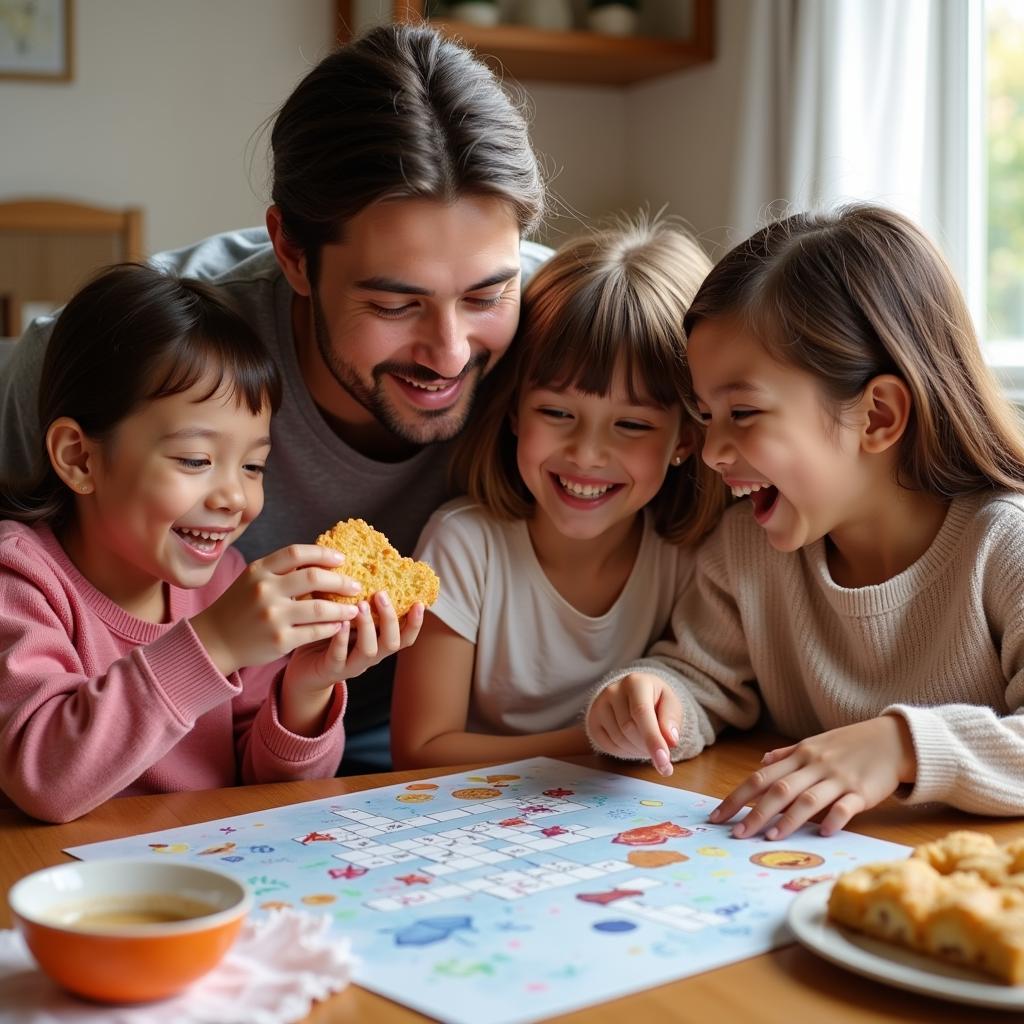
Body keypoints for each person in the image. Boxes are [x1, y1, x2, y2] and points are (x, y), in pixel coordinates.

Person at [0, 23, 549, 773]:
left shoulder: (571, 329)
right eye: (395, 306)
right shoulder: (111, 365)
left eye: (488, 293)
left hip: (431, 774)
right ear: (292, 252)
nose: (450, 352)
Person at [585, 204, 1024, 839]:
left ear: (877, 416)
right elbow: (704, 677)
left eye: (744, 412)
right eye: (705, 415)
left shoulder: (1004, 545)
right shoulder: (748, 550)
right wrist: (652, 700)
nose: (710, 452)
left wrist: (899, 745)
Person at [0, 264, 422, 823]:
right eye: (196, 460)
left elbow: (273, 794)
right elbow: (46, 781)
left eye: (253, 465)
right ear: (80, 457)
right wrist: (215, 643)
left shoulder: (226, 580)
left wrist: (306, 687)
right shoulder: (22, 578)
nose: (234, 497)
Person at [390, 216, 725, 768]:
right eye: (557, 412)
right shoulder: (464, 546)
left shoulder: (690, 559)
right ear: (516, 411)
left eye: (633, 425)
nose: (587, 454)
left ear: (686, 438)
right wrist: (601, 739)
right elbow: (420, 750)